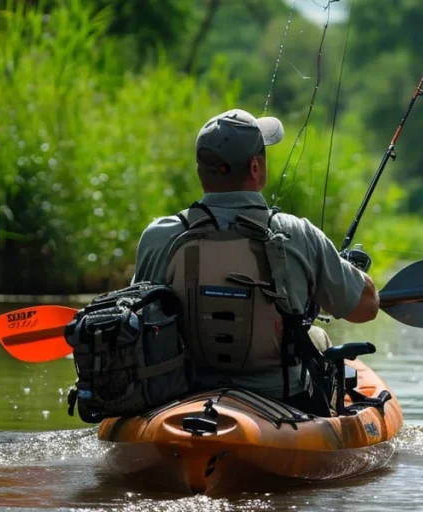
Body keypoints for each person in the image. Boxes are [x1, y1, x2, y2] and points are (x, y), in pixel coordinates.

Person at [131, 108, 379, 415]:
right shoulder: (299, 234)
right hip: (285, 401)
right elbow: (366, 308)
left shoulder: (158, 236)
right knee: (317, 336)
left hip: (181, 400)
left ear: (200, 170)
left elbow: (140, 326)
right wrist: (347, 274)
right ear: (255, 167)